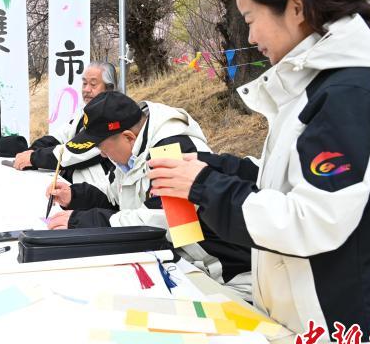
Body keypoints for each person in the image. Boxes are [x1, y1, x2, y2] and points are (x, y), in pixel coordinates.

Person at [147, 0, 370, 344]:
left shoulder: (352, 93)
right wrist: (215, 167)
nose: (250, 35)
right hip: (319, 335)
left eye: (251, 18)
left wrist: (204, 187)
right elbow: (291, 181)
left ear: (295, 8)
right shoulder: (320, 88)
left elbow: (313, 219)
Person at [46, 92, 252, 297]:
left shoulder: (173, 152)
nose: (102, 154)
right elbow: (117, 198)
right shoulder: (135, 152)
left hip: (226, 279)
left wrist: (83, 222)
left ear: (128, 137)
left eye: (102, 147)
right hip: (185, 268)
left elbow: (161, 223)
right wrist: (75, 196)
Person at [14, 62, 117, 194]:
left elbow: (75, 152)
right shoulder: (84, 112)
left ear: (109, 88)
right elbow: (58, 137)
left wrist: (34, 158)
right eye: (84, 83)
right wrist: (32, 151)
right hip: (74, 187)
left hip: (99, 193)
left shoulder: (112, 117)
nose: (86, 89)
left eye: (93, 84)